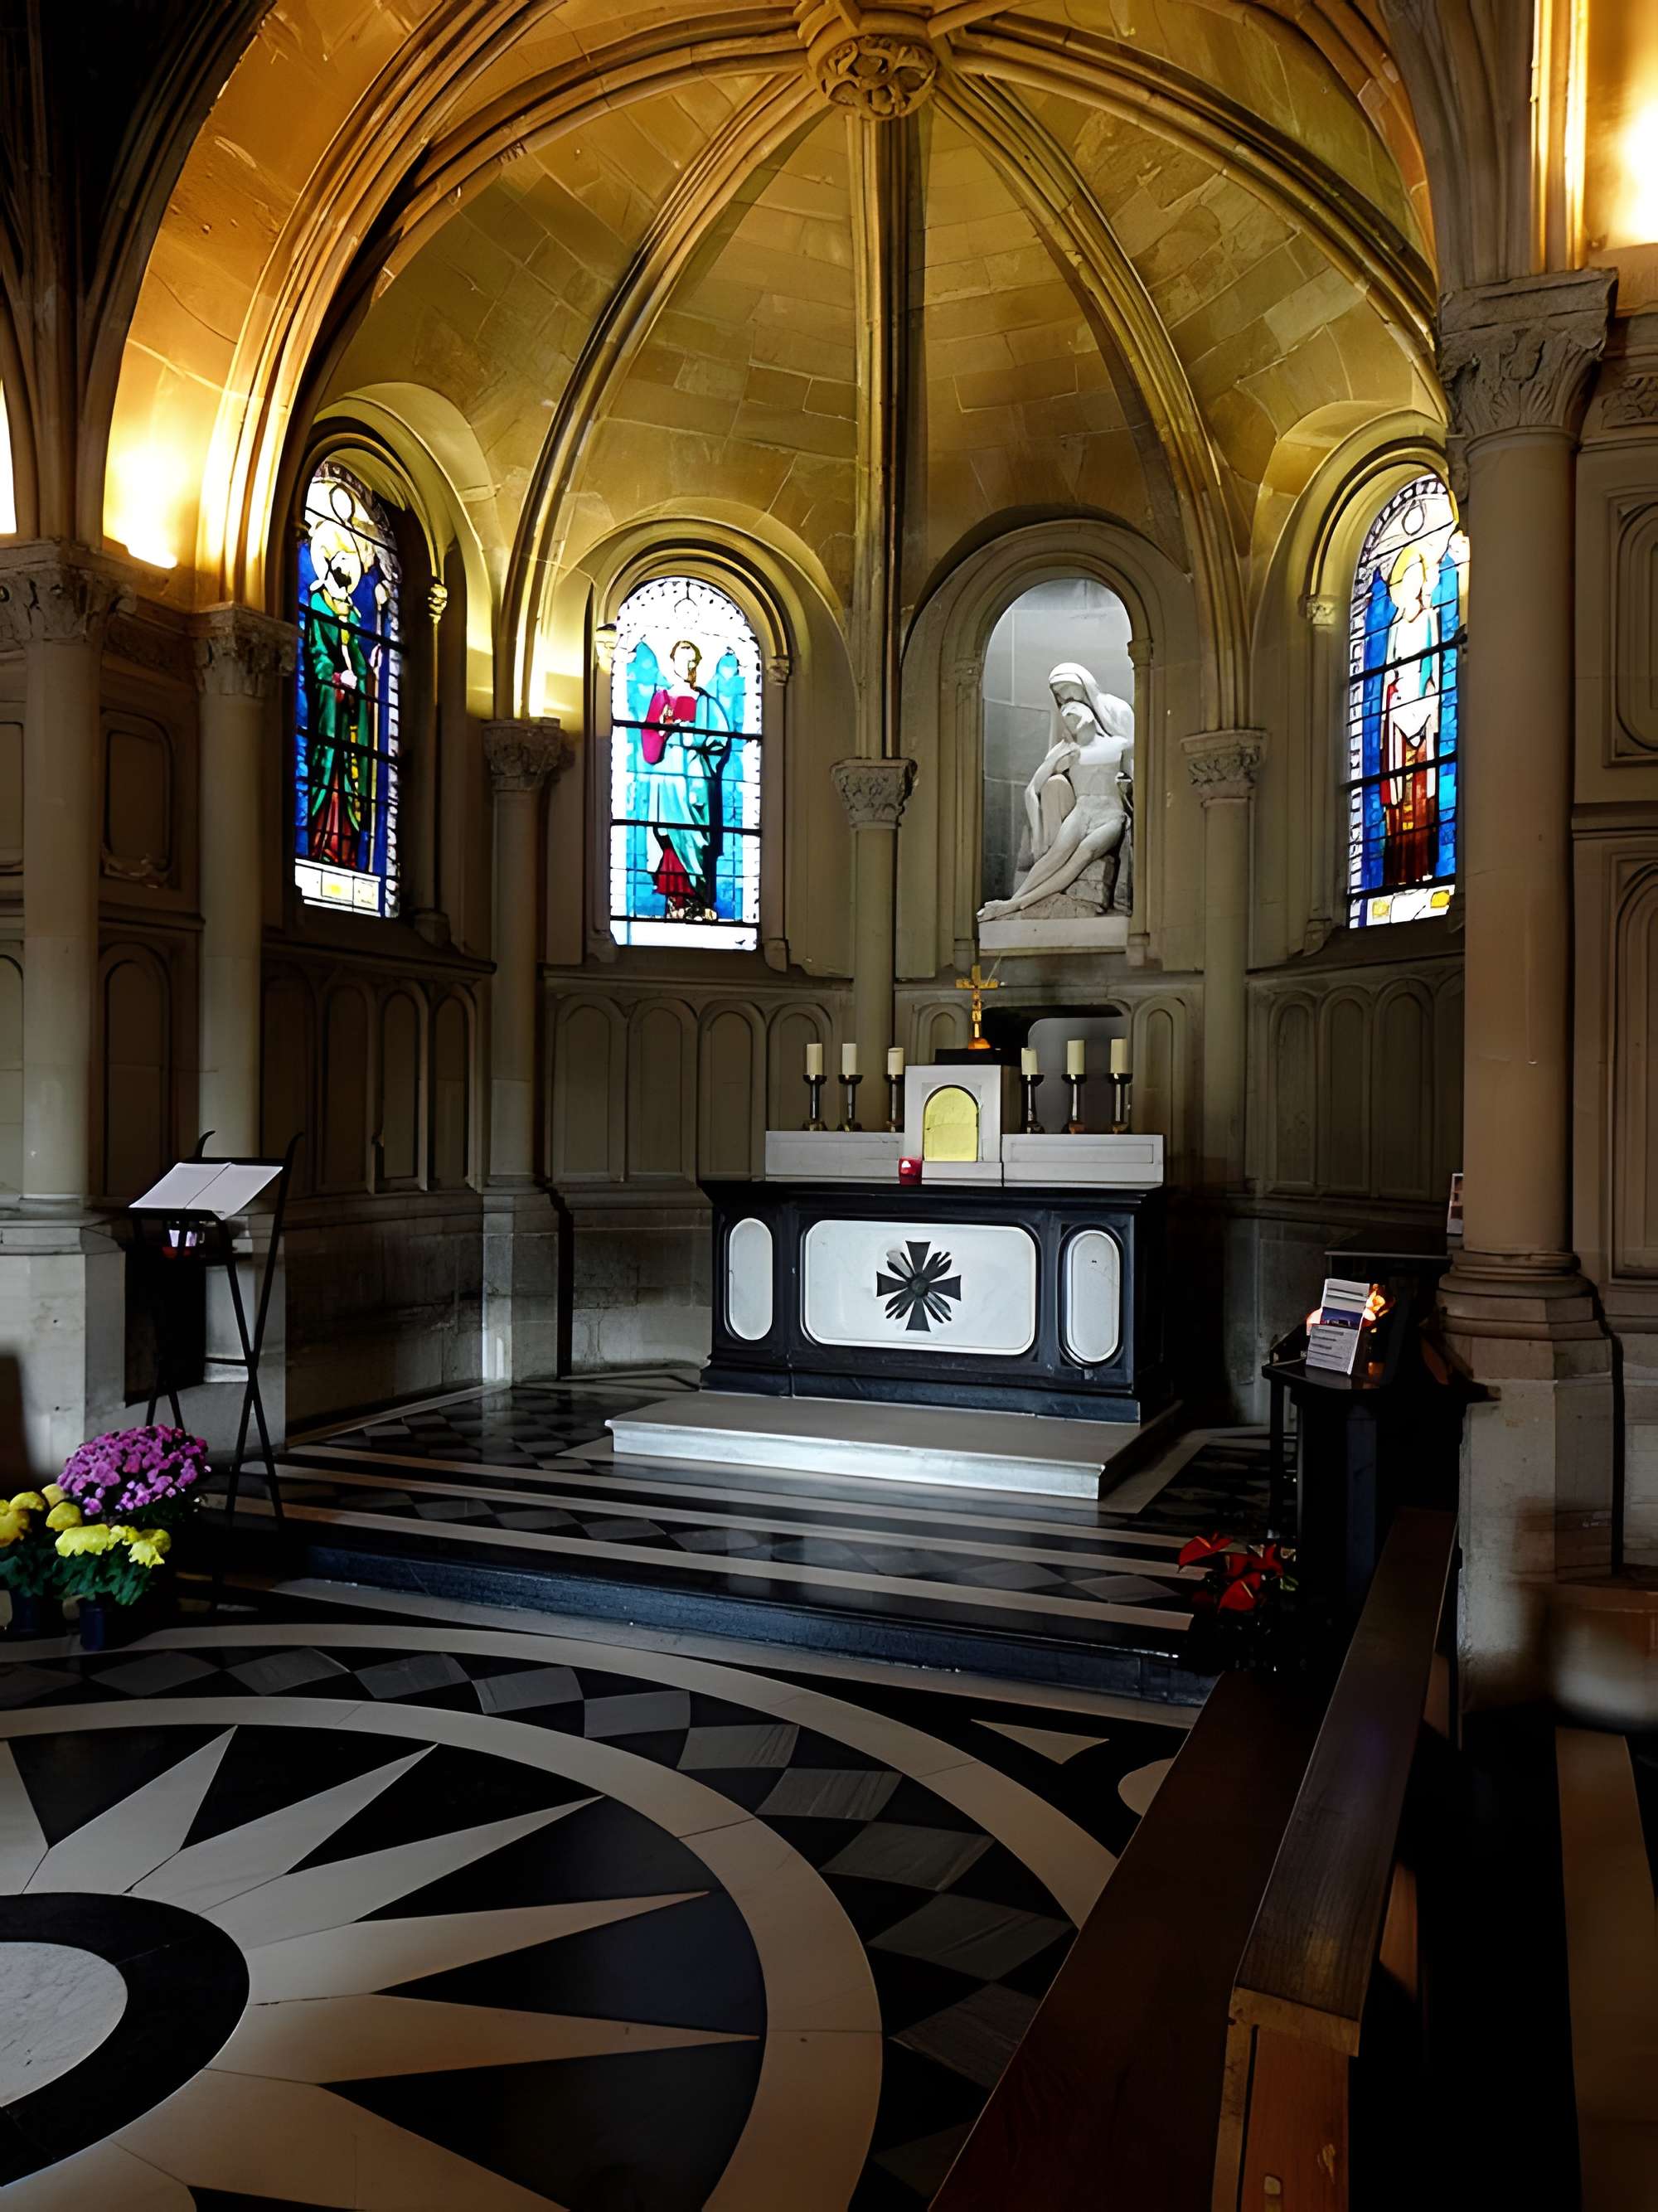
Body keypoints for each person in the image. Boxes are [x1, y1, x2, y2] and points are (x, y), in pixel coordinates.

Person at [978, 662, 1133, 920]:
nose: (1068, 704)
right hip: (1082, 810)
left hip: (1110, 814)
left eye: (1071, 694)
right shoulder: (1066, 750)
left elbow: (1135, 774)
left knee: (1083, 855)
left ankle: (1019, 904)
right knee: (1056, 855)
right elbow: (1034, 788)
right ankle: (1011, 903)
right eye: (1062, 700)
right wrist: (1039, 835)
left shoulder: (1118, 742)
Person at [302, 499, 389, 871]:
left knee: (352, 785)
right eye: (337, 566)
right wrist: (337, 680)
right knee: (329, 778)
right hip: (329, 711)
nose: (342, 574)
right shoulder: (318, 605)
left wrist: (368, 672)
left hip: (350, 716)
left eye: (347, 569)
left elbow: (353, 654)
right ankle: (320, 849)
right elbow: (317, 653)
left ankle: (348, 855)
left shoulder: (352, 614)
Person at [641, 638, 733, 919]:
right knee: (669, 835)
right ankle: (676, 903)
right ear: (672, 664)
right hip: (667, 780)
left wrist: (694, 736)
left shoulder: (707, 703)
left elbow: (720, 738)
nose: (689, 666)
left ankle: (698, 901)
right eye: (683, 660)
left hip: (695, 780)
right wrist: (665, 731)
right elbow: (649, 743)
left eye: (693, 660)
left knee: (697, 839)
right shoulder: (661, 699)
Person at [1379, 546, 1441, 889]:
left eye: (1419, 576)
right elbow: (1391, 673)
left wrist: (1428, 697)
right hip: (1400, 715)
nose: (1415, 583)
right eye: (1409, 577)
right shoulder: (1394, 628)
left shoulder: (1431, 618)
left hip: (1424, 712)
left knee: (1421, 788)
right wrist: (1395, 699)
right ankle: (1400, 873)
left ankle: (1424, 868)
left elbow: (1434, 666)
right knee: (1400, 793)